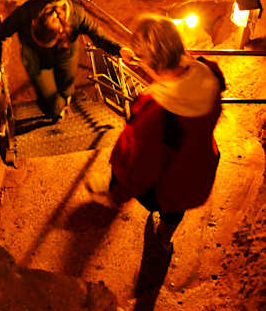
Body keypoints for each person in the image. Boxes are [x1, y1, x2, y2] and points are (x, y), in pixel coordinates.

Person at [92, 14, 225, 252]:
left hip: (167, 181)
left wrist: (118, 194)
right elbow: (182, 72)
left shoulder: (156, 112)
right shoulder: (210, 72)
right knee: (174, 212)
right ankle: (163, 239)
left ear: (151, 64)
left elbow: (140, 166)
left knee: (167, 200)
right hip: (198, 169)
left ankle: (158, 238)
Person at [0, 0, 132, 120]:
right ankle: (54, 109)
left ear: (61, 34)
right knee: (51, 105)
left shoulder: (77, 16)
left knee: (66, 87)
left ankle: (64, 100)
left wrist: (119, 50)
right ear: (34, 22)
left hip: (65, 55)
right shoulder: (27, 12)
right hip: (35, 58)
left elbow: (98, 36)